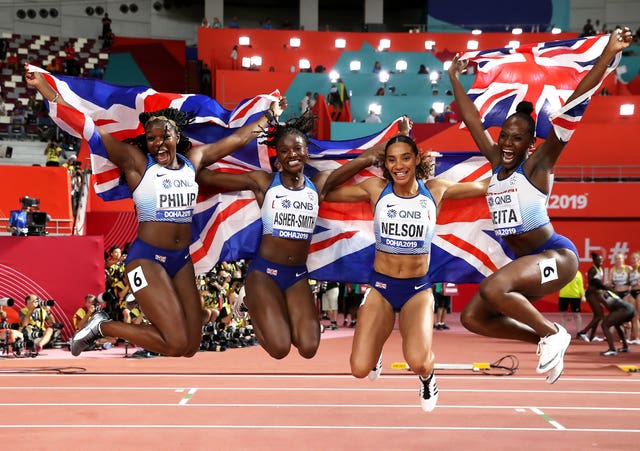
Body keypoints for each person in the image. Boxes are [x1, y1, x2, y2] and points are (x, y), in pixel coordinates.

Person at [25, 64, 286, 358]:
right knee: (175, 343)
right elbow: (89, 128)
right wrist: (46, 89)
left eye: (164, 137)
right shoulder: (137, 164)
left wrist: (271, 115)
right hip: (147, 260)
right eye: (151, 139)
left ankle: (107, 327)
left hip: (180, 260)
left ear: (177, 137)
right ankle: (102, 327)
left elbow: (238, 139)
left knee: (188, 347)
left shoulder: (193, 161)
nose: (158, 143)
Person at [447, 27, 633, 384]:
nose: (507, 143)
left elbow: (575, 103)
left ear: (531, 142)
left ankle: (552, 333)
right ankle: (545, 338)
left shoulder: (538, 164)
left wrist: (608, 52)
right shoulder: (497, 163)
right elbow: (472, 120)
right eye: (504, 135)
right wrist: (454, 77)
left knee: (492, 289)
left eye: (517, 138)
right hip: (527, 265)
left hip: (556, 259)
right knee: (474, 318)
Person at [196, 114, 407, 360]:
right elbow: (207, 179)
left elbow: (366, 158)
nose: (292, 154)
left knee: (308, 348)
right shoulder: (264, 182)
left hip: (296, 275)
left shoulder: (317, 185)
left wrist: (400, 135)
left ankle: (271, 310)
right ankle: (250, 301)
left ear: (307, 153)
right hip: (264, 274)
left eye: (297, 148)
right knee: (280, 349)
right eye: (284, 151)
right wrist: (190, 163)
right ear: (278, 159)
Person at [325, 134, 489, 412]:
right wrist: (365, 158)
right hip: (381, 287)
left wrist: (527, 167)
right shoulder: (376, 189)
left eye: (404, 157)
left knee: (418, 362)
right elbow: (325, 191)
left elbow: (485, 186)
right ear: (385, 164)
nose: (398, 165)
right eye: (391, 159)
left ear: (416, 159)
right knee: (359, 369)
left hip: (417, 290)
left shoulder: (435, 190)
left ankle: (428, 378)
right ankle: (375, 348)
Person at [577, 252, 607, 342]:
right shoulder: (592, 270)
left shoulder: (600, 269)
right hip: (591, 294)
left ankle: (592, 336)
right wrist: (603, 288)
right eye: (599, 260)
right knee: (599, 315)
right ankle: (583, 332)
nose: (601, 261)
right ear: (594, 261)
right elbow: (592, 283)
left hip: (596, 294)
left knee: (598, 315)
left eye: (601, 260)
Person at [598, 291, 636, 356]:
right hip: (630, 309)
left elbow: (609, 309)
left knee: (604, 325)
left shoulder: (600, 296)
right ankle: (625, 346)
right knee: (616, 324)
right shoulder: (609, 293)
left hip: (624, 310)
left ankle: (612, 350)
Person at [557, 270, 585, 336]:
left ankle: (579, 332)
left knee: (576, 315)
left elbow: (580, 285)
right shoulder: (563, 272)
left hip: (575, 296)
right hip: (563, 295)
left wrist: (583, 295)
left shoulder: (578, 274)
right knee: (563, 314)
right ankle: (562, 332)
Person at [627, 251, 640, 344]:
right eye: (631, 259)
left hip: (639, 292)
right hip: (632, 292)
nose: (632, 260)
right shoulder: (631, 270)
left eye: (634, 259)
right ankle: (636, 338)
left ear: (638, 260)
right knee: (634, 316)